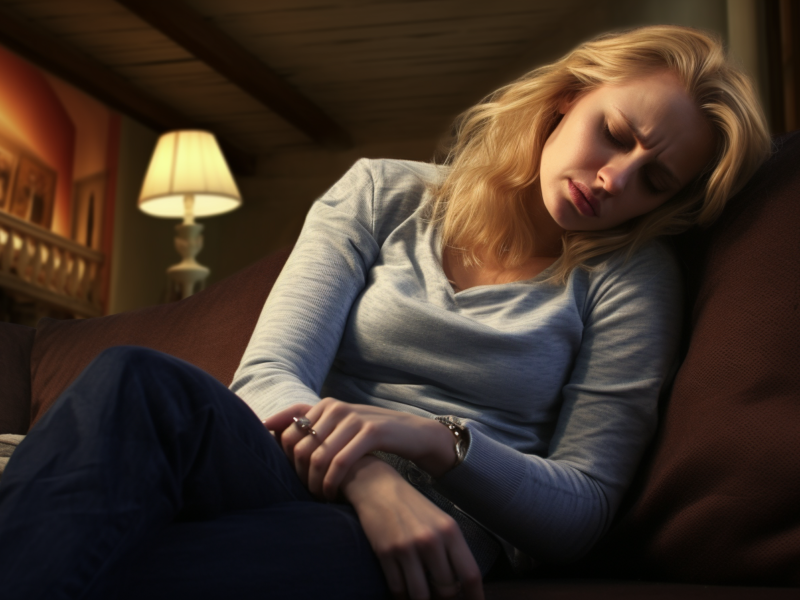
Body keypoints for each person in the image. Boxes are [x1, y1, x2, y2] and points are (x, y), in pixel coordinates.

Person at [0, 24, 770, 600]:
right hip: (289, 463)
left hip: (427, 537)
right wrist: (373, 479)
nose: (616, 180)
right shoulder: (381, 192)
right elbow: (269, 375)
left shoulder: (631, 278)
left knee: (140, 563)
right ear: (567, 102)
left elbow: (584, 508)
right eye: (615, 135)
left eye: (655, 179)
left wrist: (437, 444)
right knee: (135, 378)